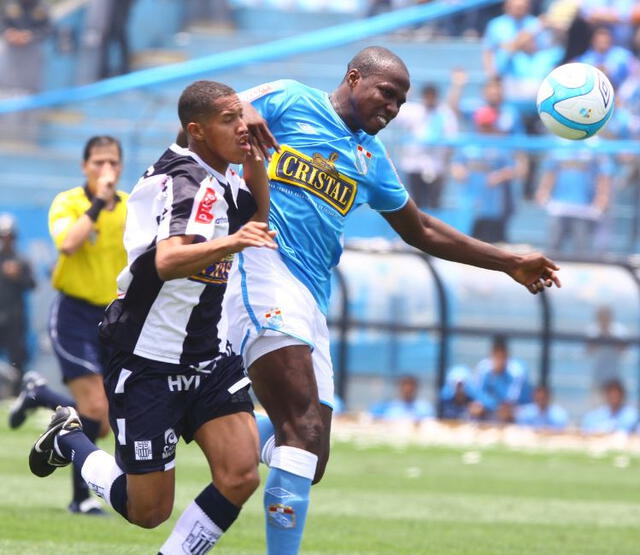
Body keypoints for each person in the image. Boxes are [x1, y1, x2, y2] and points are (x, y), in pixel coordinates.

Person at [223, 46, 561, 554]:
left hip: (312, 296)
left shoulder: (370, 157)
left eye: (402, 101)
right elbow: (220, 110)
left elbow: (420, 228)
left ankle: (207, 419)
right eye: (387, 93)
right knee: (301, 428)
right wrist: (242, 111)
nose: (394, 108)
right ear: (354, 77)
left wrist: (508, 261)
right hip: (261, 266)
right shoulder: (292, 100)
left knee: (311, 454)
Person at [28, 80, 277, 553]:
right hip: (148, 358)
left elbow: (257, 216)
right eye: (230, 121)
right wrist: (233, 243)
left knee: (240, 473)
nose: (241, 127)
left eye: (241, 118)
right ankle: (71, 441)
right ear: (196, 130)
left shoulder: (219, 171)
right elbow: (168, 260)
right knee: (147, 510)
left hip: (207, 357)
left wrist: (253, 156)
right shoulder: (188, 182)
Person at [12, 136, 127, 515]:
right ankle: (80, 498)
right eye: (97, 162)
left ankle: (39, 394)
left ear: (121, 166)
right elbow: (68, 244)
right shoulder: (69, 202)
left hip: (113, 317)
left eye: (111, 162)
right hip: (74, 314)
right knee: (93, 408)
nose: (104, 170)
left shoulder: (131, 209)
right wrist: (98, 202)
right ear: (84, 167)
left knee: (104, 421)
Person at [450, 105, 516, 243]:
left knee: (490, 240)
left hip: (492, 203)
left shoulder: (499, 144)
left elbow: (513, 168)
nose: (485, 128)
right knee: (466, 240)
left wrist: (499, 175)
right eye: (482, 124)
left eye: (488, 124)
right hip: (469, 200)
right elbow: (456, 163)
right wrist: (458, 170)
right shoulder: (469, 143)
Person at [535, 139, 612, 254]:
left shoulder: (595, 145)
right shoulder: (559, 145)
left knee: (582, 250)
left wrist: (602, 198)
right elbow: (550, 171)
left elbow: (603, 176)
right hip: (559, 207)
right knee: (553, 248)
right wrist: (543, 192)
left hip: (584, 209)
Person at [393, 83, 458, 209]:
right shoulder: (414, 111)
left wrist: (447, 163)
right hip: (413, 165)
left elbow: (451, 139)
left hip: (436, 166)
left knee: (435, 204)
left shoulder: (445, 114)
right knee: (415, 203)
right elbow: (396, 113)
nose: (430, 99)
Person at [0, 213, 36, 396]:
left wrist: (18, 276)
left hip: (15, 319)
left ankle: (16, 397)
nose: (6, 240)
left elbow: (32, 284)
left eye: (9, 236)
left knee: (17, 361)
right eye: (2, 236)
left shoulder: (21, 260)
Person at [470, 335, 532, 422]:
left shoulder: (517, 371)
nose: (499, 360)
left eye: (502, 356)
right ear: (491, 355)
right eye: (497, 356)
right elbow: (478, 394)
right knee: (476, 408)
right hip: (492, 407)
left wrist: (496, 406)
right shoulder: (483, 368)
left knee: (507, 411)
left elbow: (511, 399)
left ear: (507, 356)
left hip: (516, 408)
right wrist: (491, 405)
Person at [586, 305, 628, 390]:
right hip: (597, 377)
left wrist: (610, 336)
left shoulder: (619, 330)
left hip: (614, 376)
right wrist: (600, 337)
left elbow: (623, 351)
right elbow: (589, 351)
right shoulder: (592, 329)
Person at [368, 375, 433, 422]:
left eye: (411, 387)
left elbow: (429, 425)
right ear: (399, 388)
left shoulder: (425, 407)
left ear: (416, 388)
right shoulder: (388, 406)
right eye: (405, 386)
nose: (408, 390)